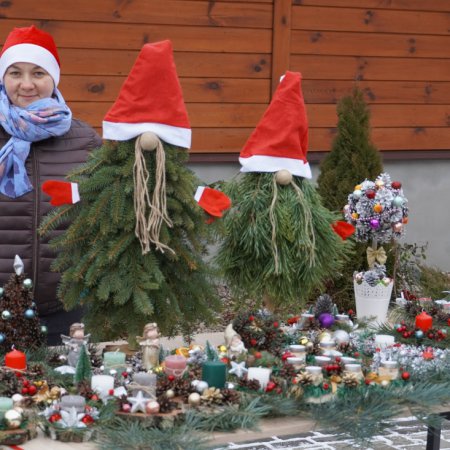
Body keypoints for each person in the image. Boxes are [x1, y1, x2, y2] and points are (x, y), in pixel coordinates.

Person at [0, 25, 102, 344]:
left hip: (64, 308)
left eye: (38, 73)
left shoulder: (84, 141)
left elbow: (105, 214)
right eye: (15, 72)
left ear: (53, 78)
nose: (26, 84)